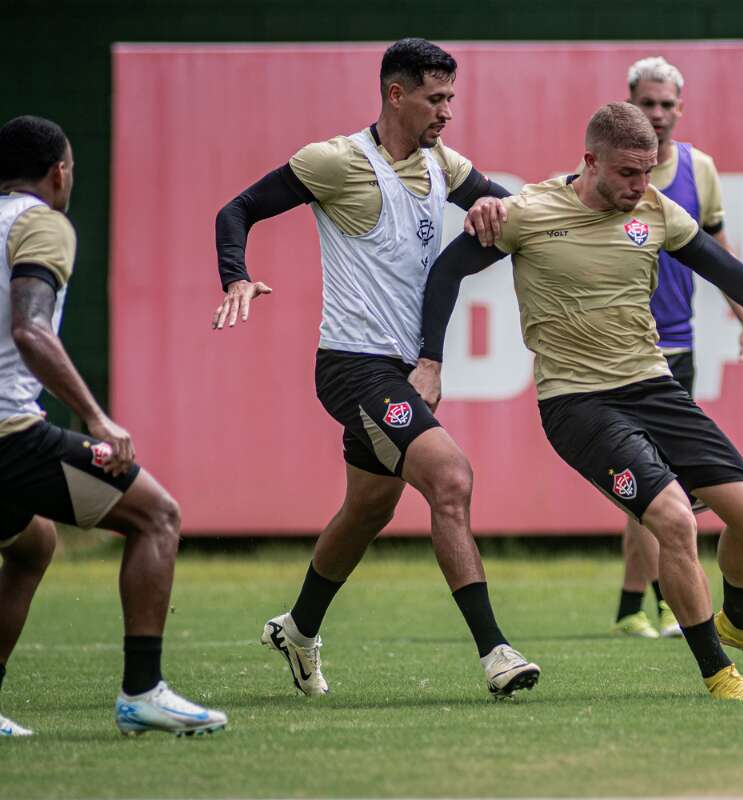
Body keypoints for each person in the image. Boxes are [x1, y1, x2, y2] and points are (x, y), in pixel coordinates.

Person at [417, 102, 743, 700]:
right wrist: (430, 361)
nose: (640, 186)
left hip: (653, 387)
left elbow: (731, 275)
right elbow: (446, 273)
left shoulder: (656, 211)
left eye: (648, 171)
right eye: (628, 173)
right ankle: (718, 674)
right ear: (590, 161)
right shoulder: (527, 212)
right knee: (675, 519)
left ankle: (740, 621)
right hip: (578, 403)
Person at [212, 38, 539, 700]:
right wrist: (236, 277)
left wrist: (489, 205)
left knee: (367, 509)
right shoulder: (335, 162)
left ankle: (299, 628)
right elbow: (236, 210)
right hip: (353, 368)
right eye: (435, 97)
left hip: (397, 372)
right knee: (450, 477)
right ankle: (496, 652)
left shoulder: (443, 164)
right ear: (396, 95)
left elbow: (507, 211)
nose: (448, 111)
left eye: (452, 97)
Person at [0, 115, 227, 736]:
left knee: (33, 543)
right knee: (158, 516)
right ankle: (142, 692)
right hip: (8, 435)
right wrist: (97, 418)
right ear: (59, 172)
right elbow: (30, 328)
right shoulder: (41, 222)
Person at [605, 56, 743, 640]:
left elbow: (720, 259)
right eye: (647, 103)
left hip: (677, 349)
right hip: (619, 357)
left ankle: (635, 606)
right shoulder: (606, 172)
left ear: (680, 109)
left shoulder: (698, 170)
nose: (657, 114)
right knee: (658, 487)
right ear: (629, 104)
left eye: (667, 104)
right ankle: (664, 602)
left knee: (659, 485)